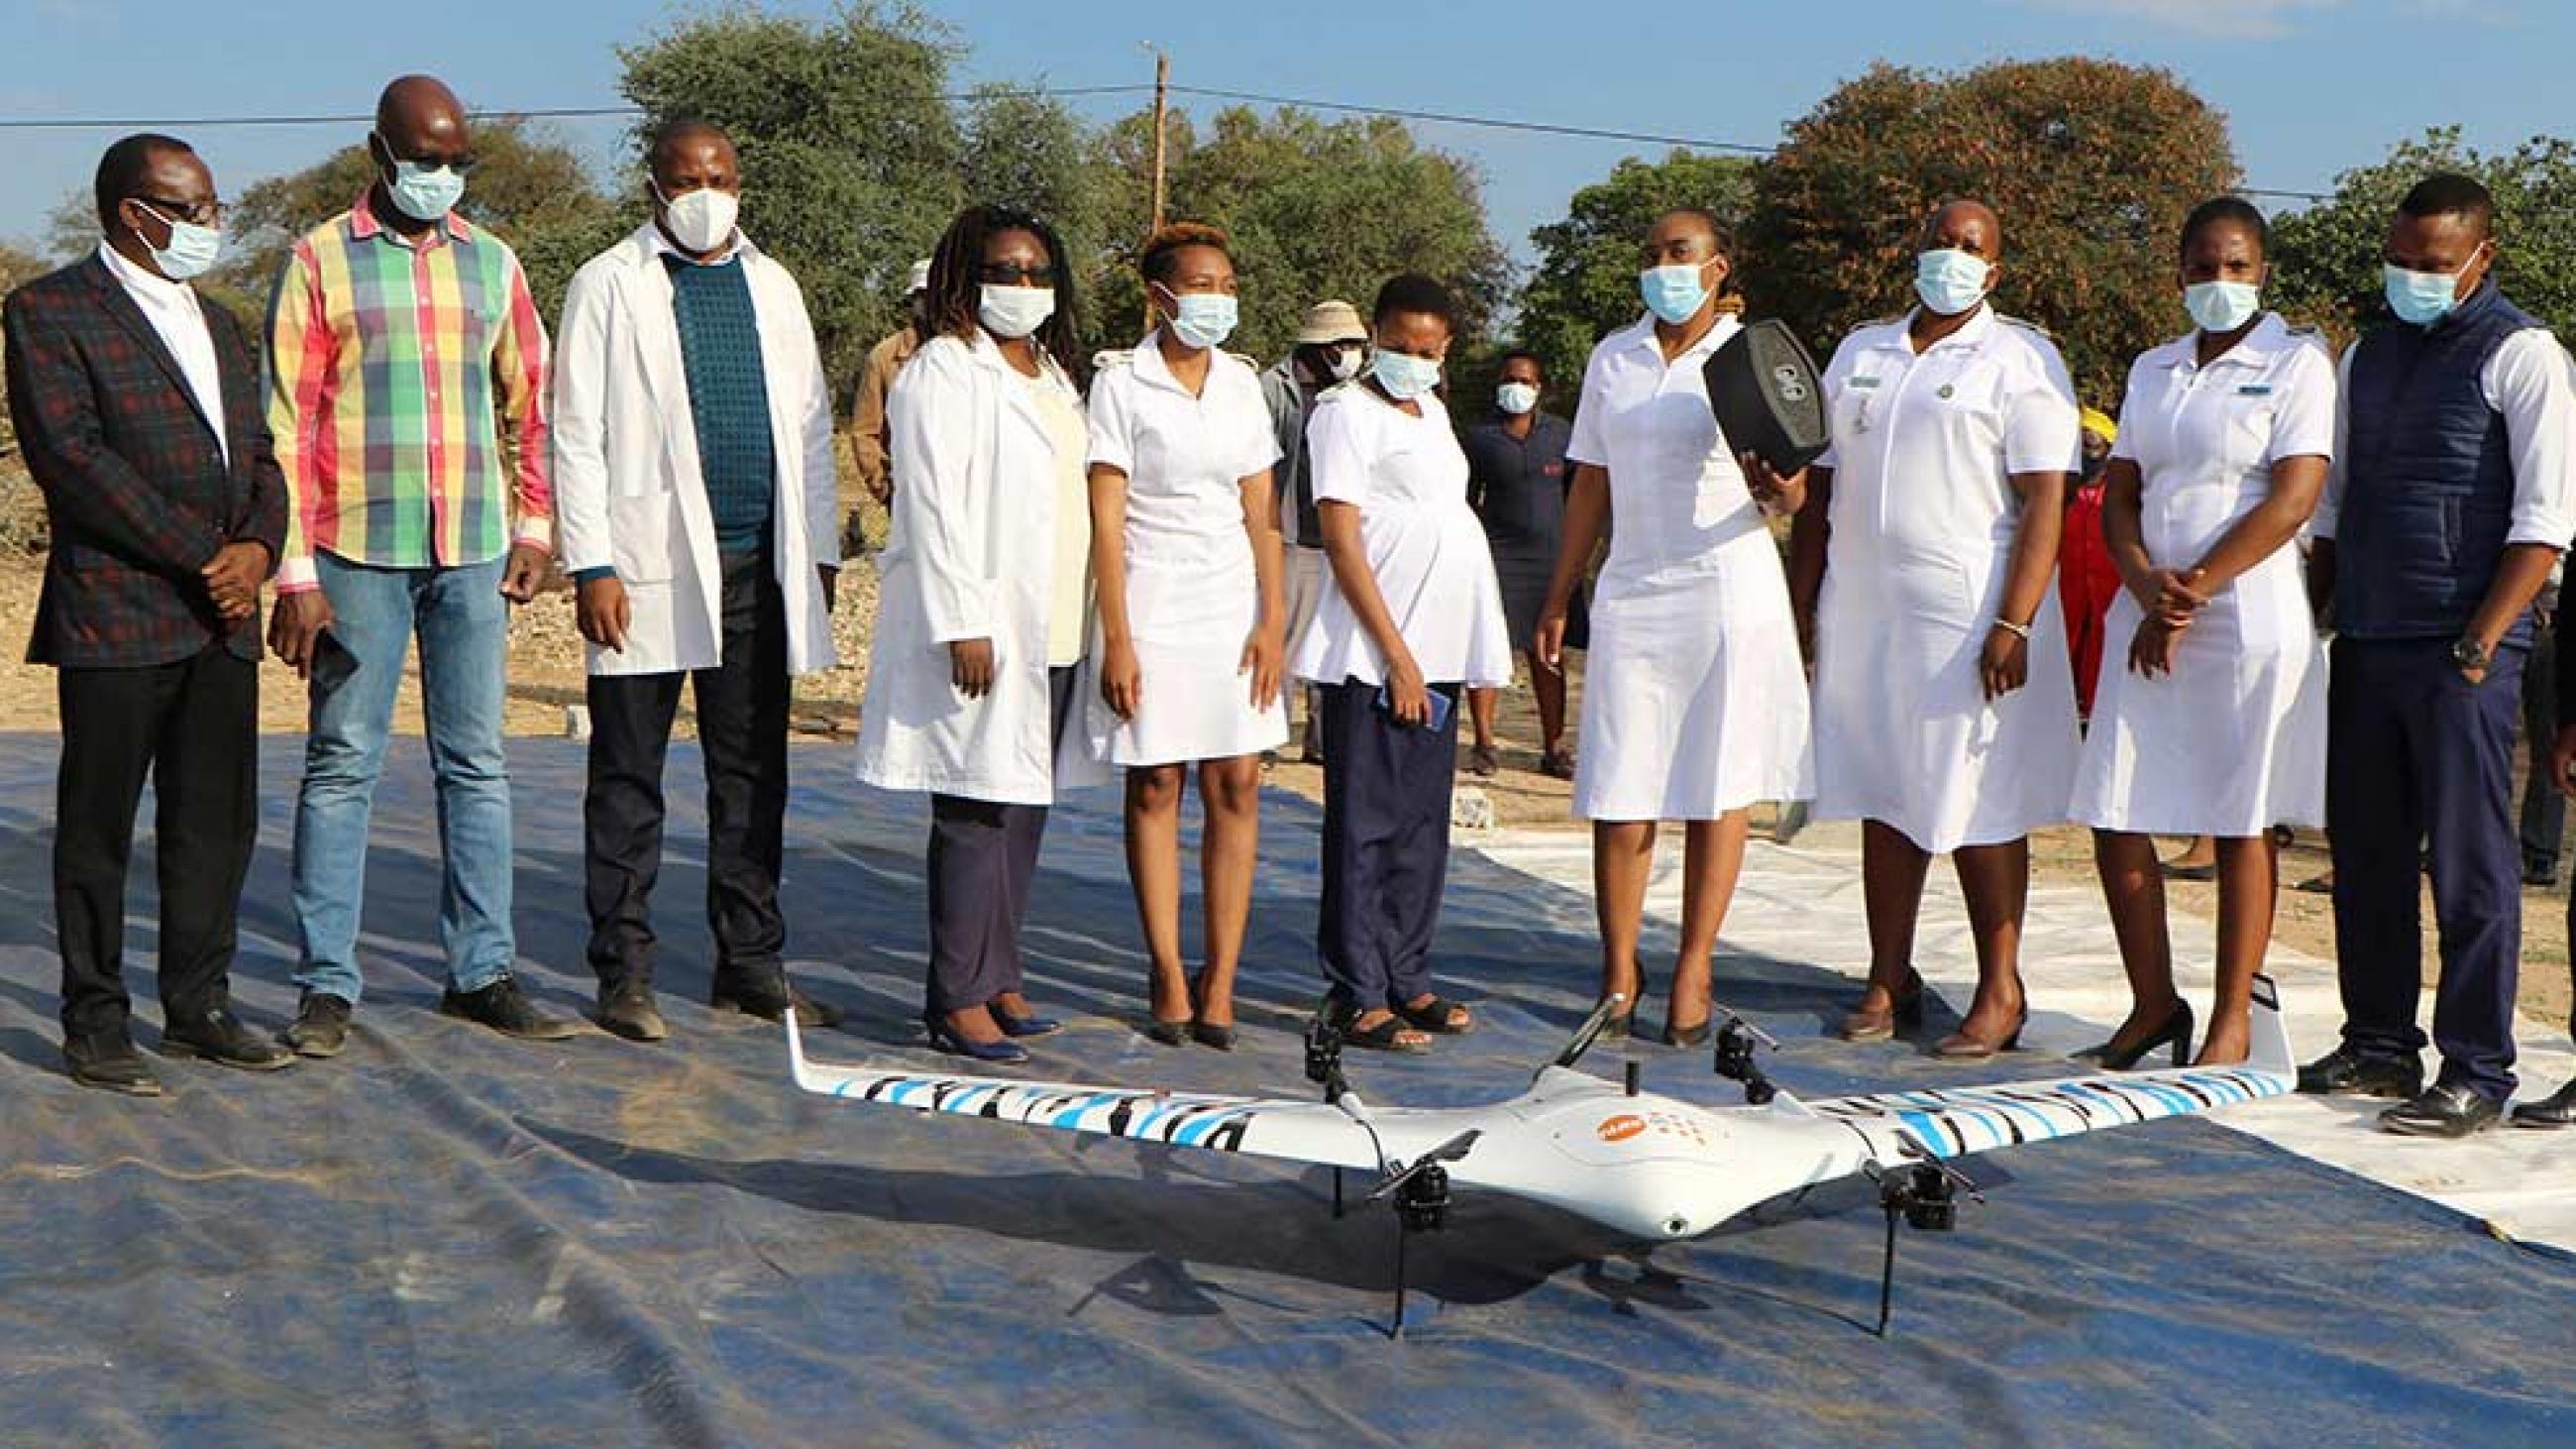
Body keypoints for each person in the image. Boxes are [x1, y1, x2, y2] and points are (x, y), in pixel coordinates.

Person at [264, 75, 571, 1054]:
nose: (441, 176)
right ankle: (325, 985)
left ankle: (482, 969)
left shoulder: (492, 264)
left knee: (475, 761)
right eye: (424, 158)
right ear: (378, 152)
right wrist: (295, 572)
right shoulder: (318, 261)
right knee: (344, 757)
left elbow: (533, 404)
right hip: (356, 548)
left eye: (455, 160)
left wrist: (534, 526)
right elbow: (286, 422)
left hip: (471, 551)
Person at [3, 134, 294, 1093]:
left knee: (215, 822)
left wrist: (256, 550)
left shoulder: (219, 321)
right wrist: (201, 555)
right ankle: (94, 1019)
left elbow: (257, 455)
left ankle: (199, 1006)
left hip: (223, 615)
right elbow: (75, 460)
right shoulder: (48, 313)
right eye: (198, 207)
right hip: (121, 612)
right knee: (98, 825)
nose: (213, 223)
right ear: (140, 212)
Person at [551, 119, 845, 1043]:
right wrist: (591, 561)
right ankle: (624, 971)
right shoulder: (608, 284)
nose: (704, 192)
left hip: (762, 560)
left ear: (741, 181)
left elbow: (810, 425)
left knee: (753, 772)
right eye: (686, 179)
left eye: (719, 175)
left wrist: (821, 554)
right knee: (629, 776)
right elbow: (575, 433)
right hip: (645, 567)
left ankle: (750, 964)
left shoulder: (774, 284)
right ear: (653, 190)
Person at [2298, 173, 2576, 1137]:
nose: (2410, 277)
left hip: (2463, 647)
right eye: (2399, 260)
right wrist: (2312, 618)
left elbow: (2543, 521)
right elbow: (2332, 508)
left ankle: (2475, 1067)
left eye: (2431, 264)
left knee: (2467, 864)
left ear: (2478, 258)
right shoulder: (2364, 357)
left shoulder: (2522, 355)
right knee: (2366, 854)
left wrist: (2477, 642)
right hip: (2368, 636)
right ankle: (2377, 1040)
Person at [1788, 198, 2082, 1060]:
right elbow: (1820, 490)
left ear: (1994, 271)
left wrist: (2015, 620)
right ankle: (1889, 973)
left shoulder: (2021, 359)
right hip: (1867, 605)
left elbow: (2045, 503)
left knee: (1977, 801)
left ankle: (2002, 988)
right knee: (1886, 788)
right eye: (1939, 241)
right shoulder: (1862, 350)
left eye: (1970, 247)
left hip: (1967, 609)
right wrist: (1800, 604)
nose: (1949, 256)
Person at [2070, 197, 2334, 1069]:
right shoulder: (2155, 369)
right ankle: (2153, 1002)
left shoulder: (2297, 363)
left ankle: (2230, 1018)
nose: (2219, 282)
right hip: (2147, 611)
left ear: (2262, 273)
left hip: (2246, 618)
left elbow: (2293, 496)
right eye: (2203, 266)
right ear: (2178, 269)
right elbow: (2126, 490)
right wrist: (2148, 588)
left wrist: (2194, 593)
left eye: (2238, 268)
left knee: (2240, 817)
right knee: (2115, 807)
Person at [1536, 209, 1812, 1043]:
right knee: (1623, 786)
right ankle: (1619, 967)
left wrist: (1779, 490)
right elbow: (1590, 481)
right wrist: (1559, 594)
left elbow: (1795, 490)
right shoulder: (1612, 356)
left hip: (1725, 586)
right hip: (1634, 589)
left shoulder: (1749, 356)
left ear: (1719, 267)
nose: (1664, 267)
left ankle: (1695, 963)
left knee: (1716, 785)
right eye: (1652, 253)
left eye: (1680, 254)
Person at [855, 204, 1102, 1064]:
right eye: (1005, 271)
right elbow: (934, 506)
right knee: (973, 807)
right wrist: (965, 619)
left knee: (1022, 804)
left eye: (1037, 273)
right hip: (986, 624)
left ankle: (1001, 973)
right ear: (965, 276)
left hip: (1056, 619)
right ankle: (956, 995)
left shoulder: (1052, 374)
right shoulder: (944, 374)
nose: (1023, 288)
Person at [1292, 274, 1514, 1052]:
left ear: (1446, 349)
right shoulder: (1344, 414)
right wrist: (1397, 656)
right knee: (1365, 826)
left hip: (1441, 646)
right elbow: (1344, 538)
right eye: (1399, 346)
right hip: (1375, 654)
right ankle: (1358, 990)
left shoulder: (1437, 413)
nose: (1413, 360)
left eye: (1428, 349)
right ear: (1373, 340)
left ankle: (1407, 973)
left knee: (1421, 827)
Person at [1087, 223, 1288, 1048]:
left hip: (1231, 604)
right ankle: (1168, 971)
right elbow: (1104, 521)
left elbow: (1263, 515)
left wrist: (1274, 621)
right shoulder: (1119, 385)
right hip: (1152, 599)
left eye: (1226, 284)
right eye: (1200, 285)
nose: (1216, 300)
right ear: (1159, 297)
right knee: (1157, 785)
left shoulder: (1242, 385)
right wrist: (1119, 638)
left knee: (1236, 784)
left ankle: (1223, 980)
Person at [1258, 299, 1369, 764]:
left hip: (1338, 539)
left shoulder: (1355, 395)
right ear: (1323, 347)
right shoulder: (1273, 389)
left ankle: (1322, 740)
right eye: (1346, 346)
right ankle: (1267, 732)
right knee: (1279, 636)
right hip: (1286, 533)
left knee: (1330, 641)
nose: (1355, 355)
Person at [1467, 349, 1579, 780]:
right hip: (1497, 557)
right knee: (1490, 650)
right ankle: (1484, 742)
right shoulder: (1480, 438)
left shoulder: (1561, 436)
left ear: (1540, 388)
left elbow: (1579, 497)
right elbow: (1465, 498)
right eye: (1510, 379)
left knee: (1548, 654)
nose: (1517, 387)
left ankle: (1554, 747)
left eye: (1526, 381)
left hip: (1550, 560)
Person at [847, 257, 929, 547]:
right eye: (923, 296)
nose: (930, 304)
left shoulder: (972, 354)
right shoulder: (885, 358)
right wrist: (884, 488)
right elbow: (865, 430)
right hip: (906, 493)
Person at [2061, 407, 2121, 724]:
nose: (2085, 453)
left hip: (2107, 583)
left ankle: (2095, 705)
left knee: (2102, 641)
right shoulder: (2062, 492)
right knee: (2063, 639)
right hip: (2067, 584)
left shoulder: (2118, 495)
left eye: (2092, 444)